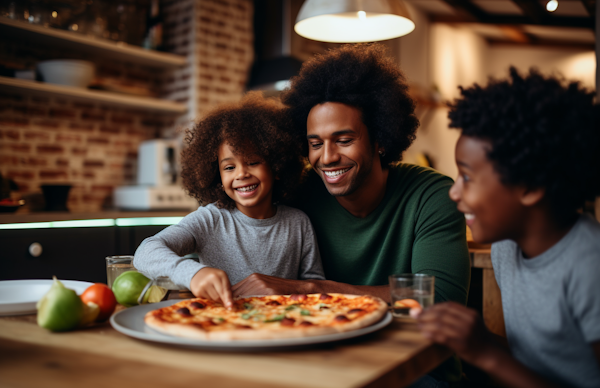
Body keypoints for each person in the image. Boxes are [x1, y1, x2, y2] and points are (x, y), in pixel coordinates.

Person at [231, 44, 471, 386]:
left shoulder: (431, 196)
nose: (326, 158)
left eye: (343, 140)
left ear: (381, 140)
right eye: (315, 143)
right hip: (328, 364)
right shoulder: (298, 195)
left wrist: (313, 288)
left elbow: (439, 302)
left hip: (419, 370)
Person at [413, 68, 600, 388]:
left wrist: (486, 352)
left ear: (530, 186)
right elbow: (534, 361)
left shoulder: (589, 264)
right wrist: (476, 339)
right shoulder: (506, 247)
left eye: (467, 177)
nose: (453, 192)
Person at [133, 93, 325, 308]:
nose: (241, 174)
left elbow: (317, 287)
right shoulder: (209, 220)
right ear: (217, 176)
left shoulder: (298, 223)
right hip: (220, 323)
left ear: (277, 167)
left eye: (252, 162)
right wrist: (193, 274)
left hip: (285, 324)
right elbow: (146, 251)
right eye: (229, 167)